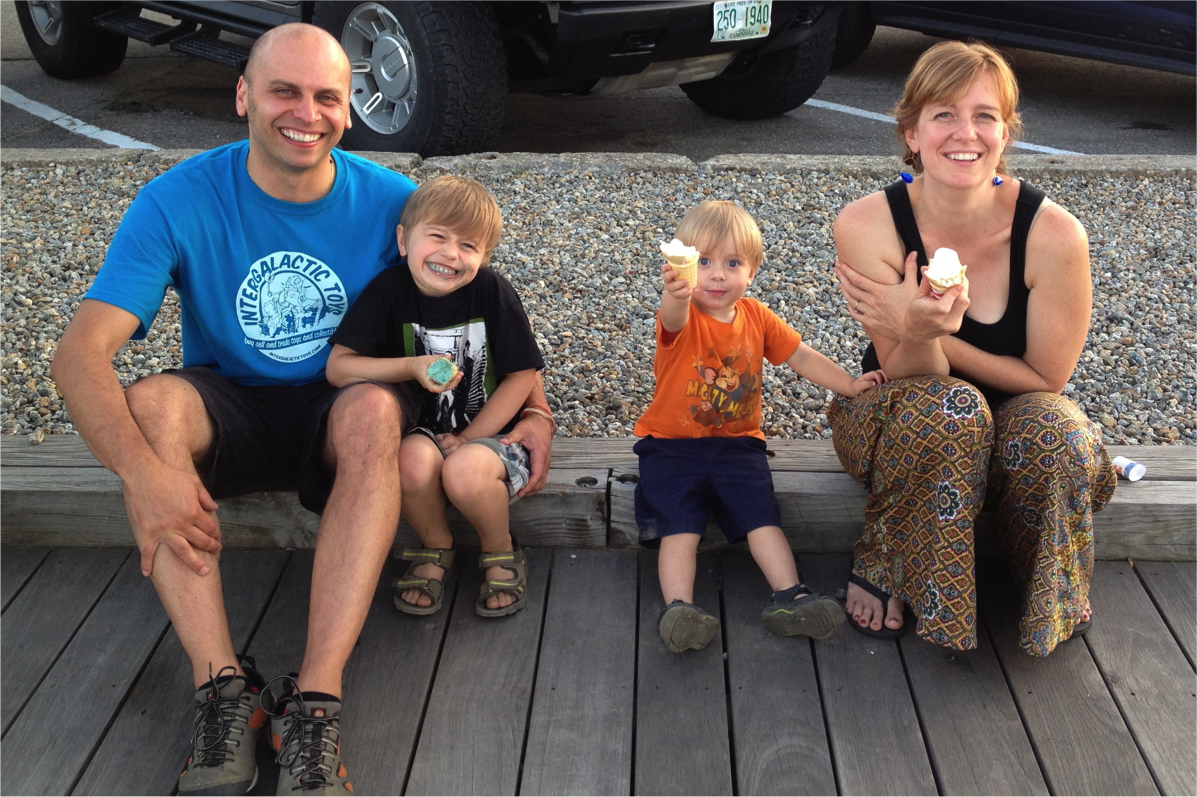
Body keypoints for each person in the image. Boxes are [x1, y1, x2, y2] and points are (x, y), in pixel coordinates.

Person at [49, 24, 555, 796]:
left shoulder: (395, 205)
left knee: (373, 412)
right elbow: (78, 354)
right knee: (150, 406)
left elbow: (484, 305)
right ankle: (223, 689)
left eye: (326, 95)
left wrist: (537, 412)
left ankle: (314, 700)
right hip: (234, 401)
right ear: (244, 94)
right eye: (284, 90)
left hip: (342, 410)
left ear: (349, 109)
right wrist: (142, 474)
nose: (306, 113)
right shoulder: (178, 198)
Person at [830, 40, 1116, 656]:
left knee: (1060, 432)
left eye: (985, 115)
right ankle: (890, 562)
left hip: (1016, 416)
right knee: (952, 410)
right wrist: (917, 335)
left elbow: (1045, 378)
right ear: (911, 133)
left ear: (1006, 132)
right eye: (943, 115)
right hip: (900, 412)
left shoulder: (1055, 234)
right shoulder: (867, 224)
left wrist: (926, 325)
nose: (966, 133)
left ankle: (1047, 579)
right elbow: (910, 375)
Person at [634, 200, 885, 653]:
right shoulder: (683, 316)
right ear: (685, 266)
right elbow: (671, 317)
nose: (715, 275)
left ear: (751, 272)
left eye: (732, 263)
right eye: (703, 262)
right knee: (679, 525)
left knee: (761, 516)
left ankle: (792, 596)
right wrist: (674, 291)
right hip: (671, 446)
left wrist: (848, 383)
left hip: (737, 446)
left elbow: (801, 356)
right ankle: (679, 608)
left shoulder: (756, 316)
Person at [326, 176, 546, 618]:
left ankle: (499, 546)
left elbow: (522, 376)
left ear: (484, 257)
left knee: (464, 471)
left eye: (468, 245)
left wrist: (469, 439)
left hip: (495, 433)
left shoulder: (491, 291)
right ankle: (436, 542)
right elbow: (339, 368)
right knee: (406, 460)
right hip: (422, 429)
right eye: (438, 237)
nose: (450, 254)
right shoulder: (388, 291)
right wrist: (408, 367)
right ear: (404, 240)